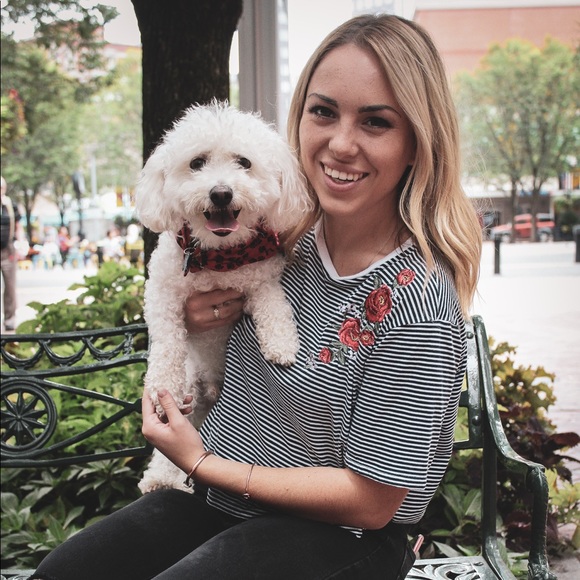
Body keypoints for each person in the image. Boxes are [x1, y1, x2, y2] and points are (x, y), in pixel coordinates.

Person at [32, 14, 482, 580]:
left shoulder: (418, 302)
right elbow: (185, 299)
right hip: (220, 501)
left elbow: (371, 502)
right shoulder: (272, 243)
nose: (341, 143)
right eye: (324, 112)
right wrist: (196, 320)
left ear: (417, 142)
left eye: (375, 121)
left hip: (339, 534)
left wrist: (200, 462)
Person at [1, 176, 23, 332]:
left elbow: (18, 226)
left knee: (10, 286)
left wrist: (20, 243)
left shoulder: (10, 205)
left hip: (7, 249)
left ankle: (9, 319)